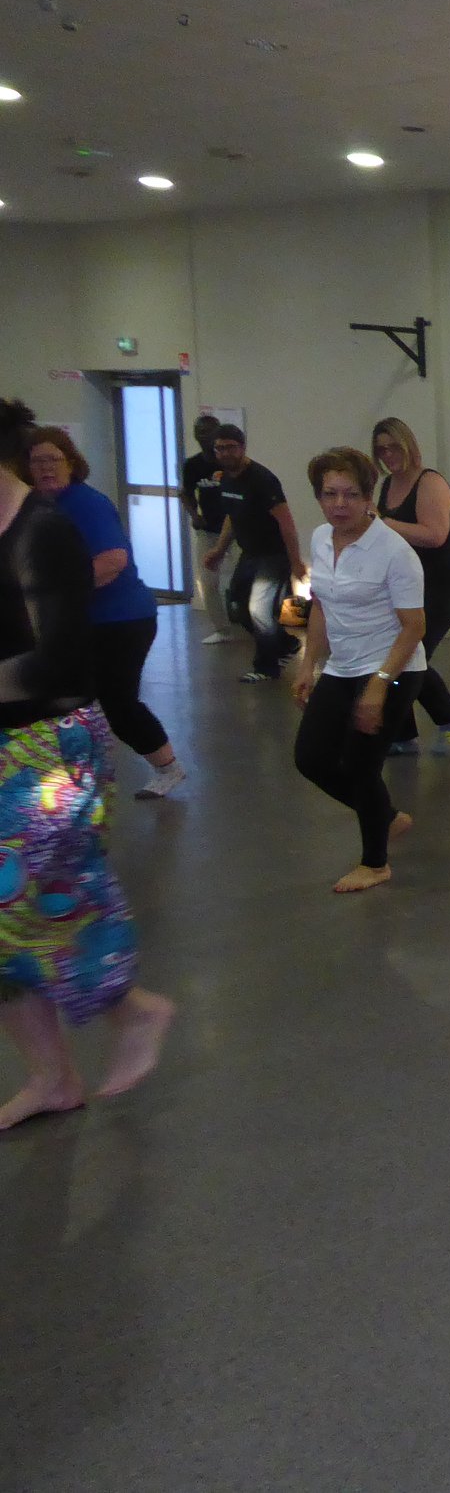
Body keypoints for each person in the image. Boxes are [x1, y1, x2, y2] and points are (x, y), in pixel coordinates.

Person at [0, 399, 174, 1131]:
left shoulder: (45, 531)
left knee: (44, 901)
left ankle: (132, 1009)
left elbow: (52, 662)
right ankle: (53, 1077)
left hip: (48, 746)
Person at [292, 446, 425, 894]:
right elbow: (321, 606)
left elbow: (414, 627)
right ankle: (385, 816)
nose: (340, 504)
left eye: (351, 494)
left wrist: (380, 685)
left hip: (394, 666)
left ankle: (375, 863)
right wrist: (308, 664)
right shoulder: (320, 539)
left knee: (362, 766)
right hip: (343, 665)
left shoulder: (394, 551)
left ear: (369, 497)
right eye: (330, 494)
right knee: (310, 758)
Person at [25, 429, 186, 800]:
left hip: (122, 620)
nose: (46, 468)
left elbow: (113, 560)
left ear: (71, 463)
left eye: (54, 459)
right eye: (37, 461)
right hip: (84, 622)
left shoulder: (85, 504)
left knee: (117, 701)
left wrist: (57, 596)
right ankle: (71, 773)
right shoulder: (40, 506)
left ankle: (168, 767)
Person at [371, 418, 450, 756]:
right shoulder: (388, 485)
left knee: (411, 654)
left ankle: (448, 719)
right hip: (404, 586)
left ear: (408, 445)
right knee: (397, 656)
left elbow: (435, 535)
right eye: (382, 450)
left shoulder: (430, 482)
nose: (388, 455)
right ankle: (404, 733)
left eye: (393, 447)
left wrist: (384, 523)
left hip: (439, 587)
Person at [201, 423, 305, 682]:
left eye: (230, 447)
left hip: (273, 555)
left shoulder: (262, 479)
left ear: (242, 447)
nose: (225, 453)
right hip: (249, 553)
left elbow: (286, 522)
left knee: (259, 609)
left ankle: (266, 667)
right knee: (238, 607)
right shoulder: (225, 479)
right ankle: (286, 644)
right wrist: (219, 549)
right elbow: (232, 517)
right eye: (220, 448)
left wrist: (296, 561)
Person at [180, 413, 231, 644]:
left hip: (234, 531)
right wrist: (194, 515)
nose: (203, 437)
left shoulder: (228, 463)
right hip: (208, 530)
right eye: (199, 432)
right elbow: (186, 493)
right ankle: (222, 629)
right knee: (208, 581)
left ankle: (250, 623)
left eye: (208, 432)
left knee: (238, 580)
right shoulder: (192, 465)